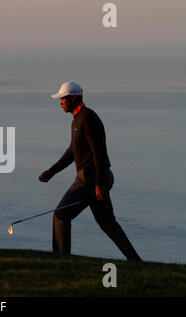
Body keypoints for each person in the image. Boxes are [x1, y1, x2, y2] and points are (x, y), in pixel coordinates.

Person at [38, 81, 142, 261]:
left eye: (63, 99)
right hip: (94, 179)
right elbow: (73, 151)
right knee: (108, 223)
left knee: (61, 215)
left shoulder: (88, 119)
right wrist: (52, 171)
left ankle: (61, 261)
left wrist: (99, 183)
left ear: (74, 98)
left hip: (90, 179)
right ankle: (135, 261)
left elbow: (99, 152)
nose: (60, 102)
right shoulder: (77, 120)